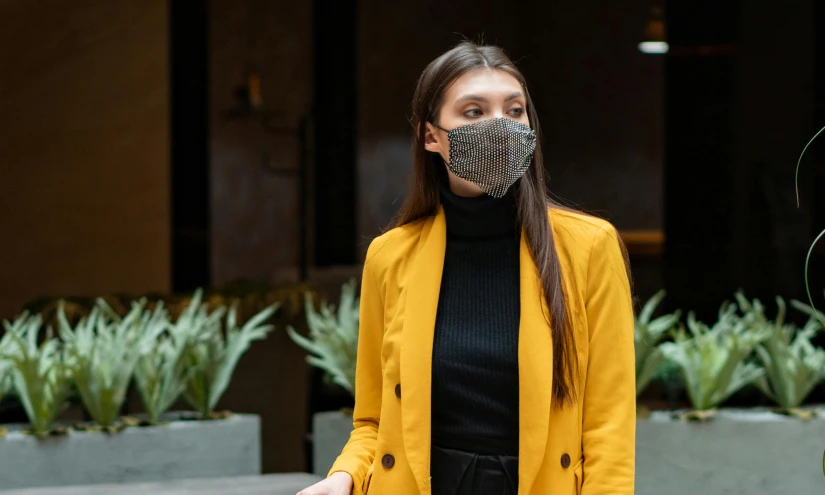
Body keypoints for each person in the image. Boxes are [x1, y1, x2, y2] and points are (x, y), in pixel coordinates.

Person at [297, 40, 635, 495]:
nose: (500, 125)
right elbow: (374, 421)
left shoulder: (589, 248)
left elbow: (609, 425)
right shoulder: (391, 256)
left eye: (514, 111)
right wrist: (343, 479)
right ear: (431, 136)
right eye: (474, 112)